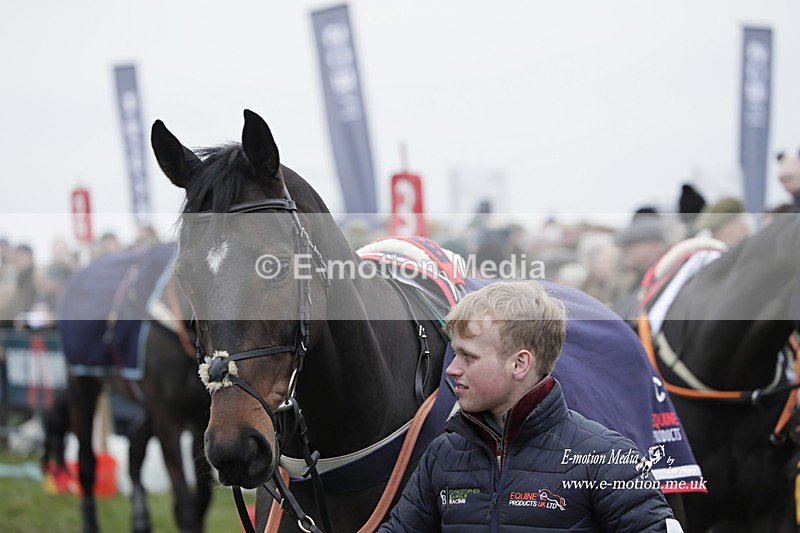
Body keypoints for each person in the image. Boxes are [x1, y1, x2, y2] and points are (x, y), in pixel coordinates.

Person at [378, 281, 681, 532]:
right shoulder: (443, 455)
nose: (452, 369)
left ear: (520, 363)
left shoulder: (606, 457)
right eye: (454, 354)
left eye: (468, 356)